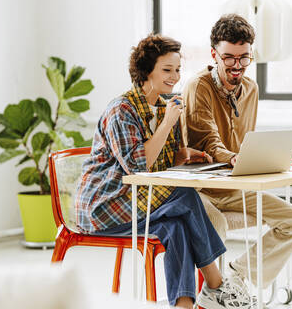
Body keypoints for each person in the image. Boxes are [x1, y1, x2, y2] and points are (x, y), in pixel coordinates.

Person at [75, 34, 254, 309]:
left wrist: (181, 155)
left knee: (177, 225)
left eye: (178, 70)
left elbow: (159, 164)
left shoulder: (164, 103)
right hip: (107, 205)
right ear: (146, 71)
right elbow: (137, 168)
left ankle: (183, 305)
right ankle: (216, 284)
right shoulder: (121, 110)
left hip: (140, 202)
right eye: (167, 70)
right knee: (184, 194)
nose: (174, 77)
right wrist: (167, 123)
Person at [182, 14, 292, 301]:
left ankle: (237, 276)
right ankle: (216, 294)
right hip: (199, 187)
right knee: (216, 224)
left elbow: (245, 140)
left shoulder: (251, 89)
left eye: (244, 58)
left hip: (235, 185)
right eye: (229, 58)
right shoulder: (198, 86)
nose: (237, 66)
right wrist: (232, 159)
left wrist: (266, 153)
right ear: (214, 54)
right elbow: (208, 140)